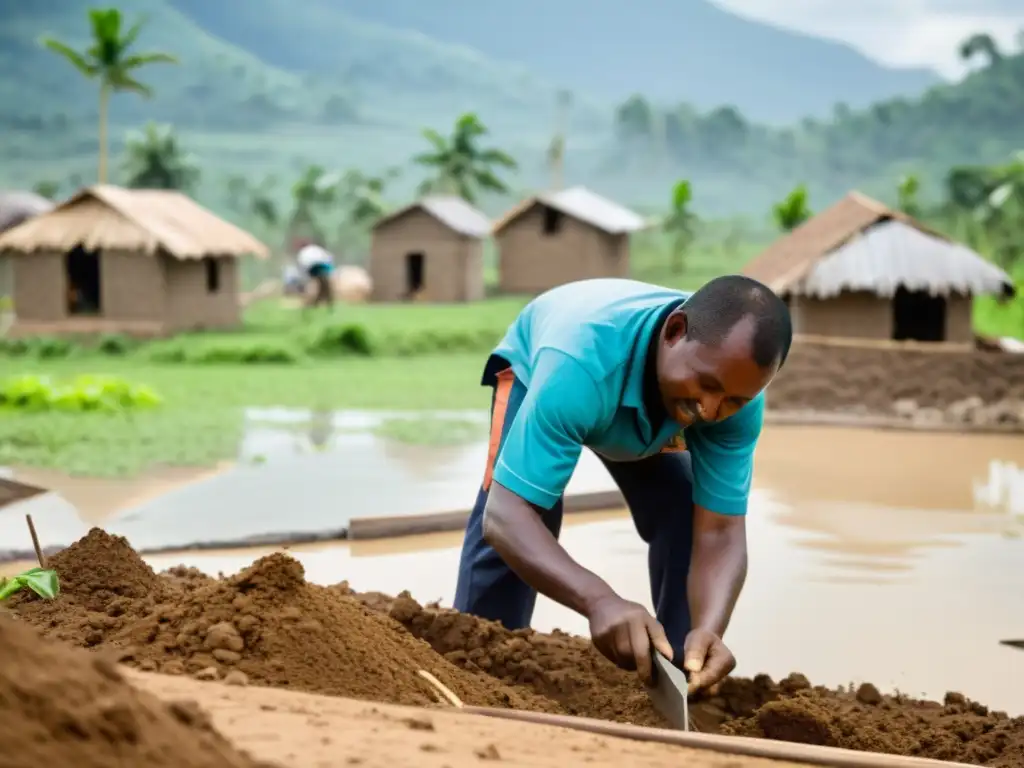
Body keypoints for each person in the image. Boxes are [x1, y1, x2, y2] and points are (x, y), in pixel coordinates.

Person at [453, 276, 792, 692]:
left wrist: (710, 627)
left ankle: (683, 670)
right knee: (527, 516)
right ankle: (478, 666)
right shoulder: (576, 362)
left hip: (637, 391)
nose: (709, 410)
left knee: (685, 508)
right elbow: (505, 517)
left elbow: (720, 530)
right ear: (673, 332)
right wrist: (598, 600)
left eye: (734, 401)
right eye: (706, 384)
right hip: (554, 364)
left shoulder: (730, 391)